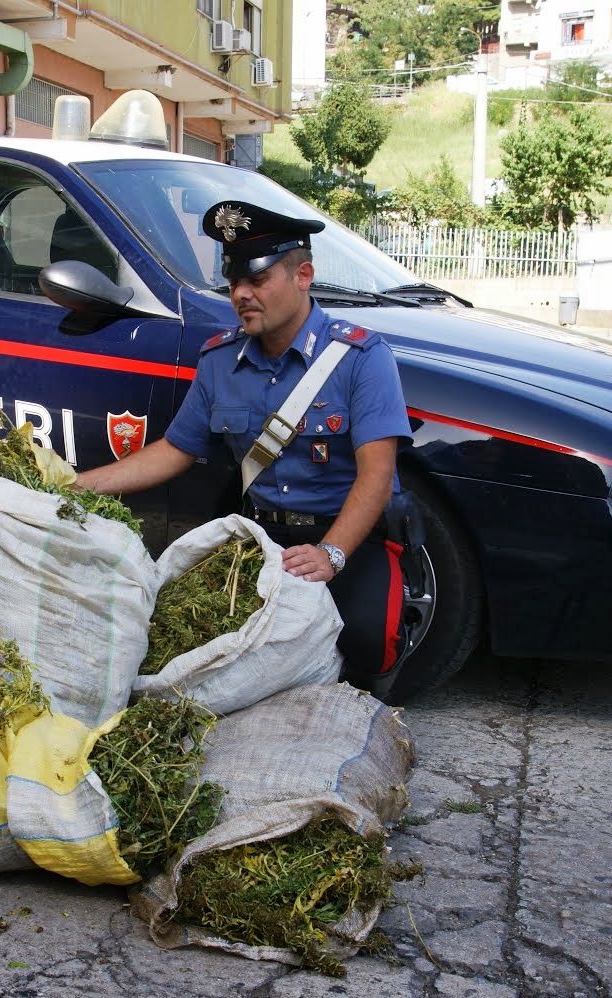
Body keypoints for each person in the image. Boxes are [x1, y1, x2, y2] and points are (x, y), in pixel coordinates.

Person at [73, 200, 412, 687]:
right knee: (197, 642)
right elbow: (175, 450)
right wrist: (78, 484)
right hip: (265, 539)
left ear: (303, 276)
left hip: (347, 539)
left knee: (365, 641)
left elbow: (377, 476)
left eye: (257, 279)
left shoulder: (360, 357)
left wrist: (330, 554)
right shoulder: (219, 360)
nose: (242, 295)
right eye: (234, 282)